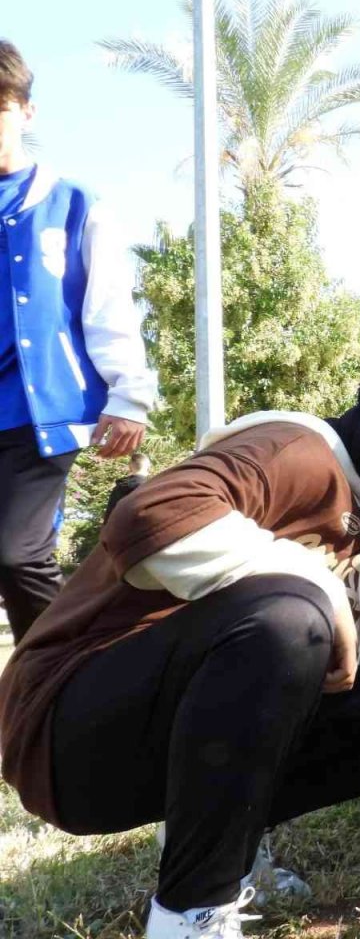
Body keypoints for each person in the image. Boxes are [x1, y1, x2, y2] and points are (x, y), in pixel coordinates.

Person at [0, 348, 360, 938]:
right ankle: (190, 917)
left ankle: (225, 840)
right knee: (293, 617)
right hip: (62, 731)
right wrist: (317, 588)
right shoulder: (296, 450)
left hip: (153, 734)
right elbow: (145, 514)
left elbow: (334, 657)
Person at [0, 40, 155, 643]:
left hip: (41, 416)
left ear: (25, 111)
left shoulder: (73, 205)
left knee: (16, 553)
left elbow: (109, 305)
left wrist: (128, 396)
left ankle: (68, 673)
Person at [103, 451, 152, 522]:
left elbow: (108, 517)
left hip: (120, 529)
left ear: (130, 466)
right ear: (148, 466)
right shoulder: (151, 487)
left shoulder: (119, 488)